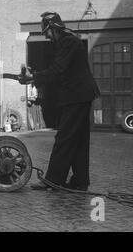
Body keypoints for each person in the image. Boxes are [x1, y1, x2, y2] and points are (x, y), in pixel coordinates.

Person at [19, 12, 100, 191]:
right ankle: (80, 182)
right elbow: (58, 71)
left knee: (64, 137)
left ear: (54, 28)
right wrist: (35, 78)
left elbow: (57, 70)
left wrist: (34, 77)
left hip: (76, 96)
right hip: (79, 95)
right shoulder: (67, 42)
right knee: (78, 139)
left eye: (47, 32)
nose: (46, 36)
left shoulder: (68, 42)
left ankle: (54, 180)